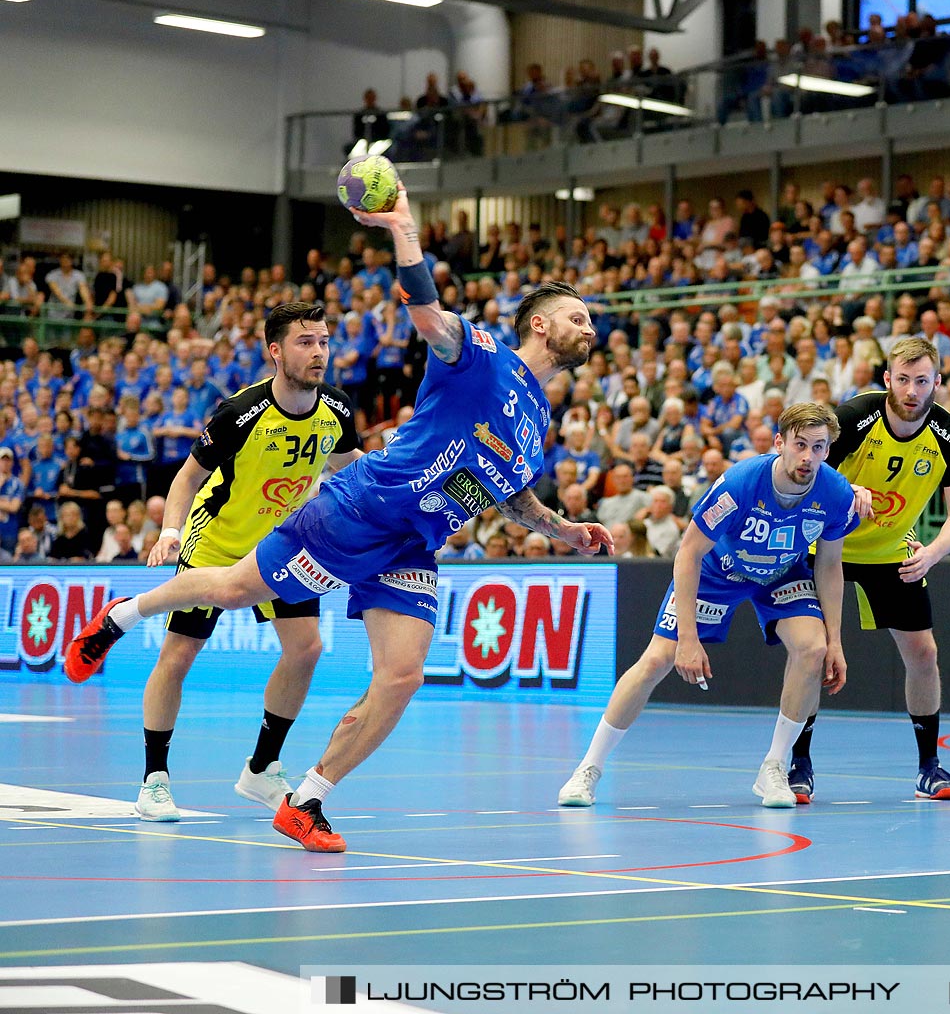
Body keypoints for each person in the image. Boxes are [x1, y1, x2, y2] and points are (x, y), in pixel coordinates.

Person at [64, 187, 611, 853]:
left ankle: (307, 799)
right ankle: (119, 617)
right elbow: (426, 309)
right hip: (356, 511)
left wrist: (565, 531)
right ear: (542, 326)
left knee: (403, 675)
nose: (592, 327)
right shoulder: (483, 355)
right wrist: (403, 227)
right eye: (578, 317)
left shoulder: (539, 420)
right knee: (233, 588)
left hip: (412, 544)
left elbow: (514, 498)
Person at [119, 303, 360, 822]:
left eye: (323, 341)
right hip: (217, 543)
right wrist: (169, 531)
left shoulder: (338, 410)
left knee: (306, 649)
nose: (318, 352)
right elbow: (186, 478)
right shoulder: (240, 412)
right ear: (275, 351)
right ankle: (154, 779)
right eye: (305, 342)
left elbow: (350, 468)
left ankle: (262, 768)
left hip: (285, 543)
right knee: (179, 657)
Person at [557, 403, 860, 811]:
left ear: (828, 450)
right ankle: (587, 769)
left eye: (819, 447)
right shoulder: (739, 484)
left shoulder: (837, 494)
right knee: (656, 660)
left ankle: (774, 766)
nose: (808, 456)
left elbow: (828, 563)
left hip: (781, 575)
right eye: (800, 444)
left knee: (813, 648)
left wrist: (837, 640)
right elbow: (688, 553)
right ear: (779, 443)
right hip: (719, 574)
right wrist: (687, 639)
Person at [775, 337, 950, 803]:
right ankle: (799, 763)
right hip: (824, 545)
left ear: (936, 383)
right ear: (887, 379)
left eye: (921, 381)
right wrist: (846, 489)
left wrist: (933, 552)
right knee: (812, 651)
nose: (911, 390)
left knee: (924, 654)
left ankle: (929, 767)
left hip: (891, 552)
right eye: (902, 379)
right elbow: (807, 467)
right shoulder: (854, 418)